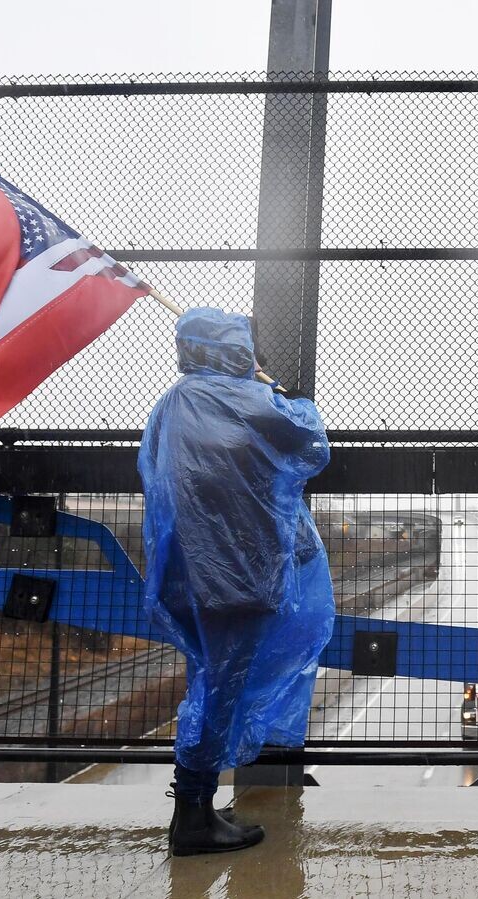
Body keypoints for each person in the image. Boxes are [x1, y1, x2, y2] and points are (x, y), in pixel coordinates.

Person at [139, 307, 334, 856]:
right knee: (222, 690)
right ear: (235, 352)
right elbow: (311, 443)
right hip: (246, 574)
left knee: (209, 682)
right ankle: (193, 818)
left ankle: (194, 808)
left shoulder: (175, 402)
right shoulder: (249, 401)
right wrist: (283, 390)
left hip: (192, 575)